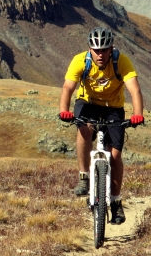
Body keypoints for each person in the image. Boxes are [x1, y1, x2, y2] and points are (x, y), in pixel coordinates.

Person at [58, 27, 144, 225]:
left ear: (111, 48)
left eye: (104, 49)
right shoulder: (80, 61)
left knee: (114, 155)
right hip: (87, 103)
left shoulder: (120, 61)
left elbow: (135, 89)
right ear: (89, 49)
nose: (100, 54)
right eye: (96, 50)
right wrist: (64, 110)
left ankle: (115, 203)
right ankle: (84, 176)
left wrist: (138, 114)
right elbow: (68, 87)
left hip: (113, 107)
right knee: (84, 128)